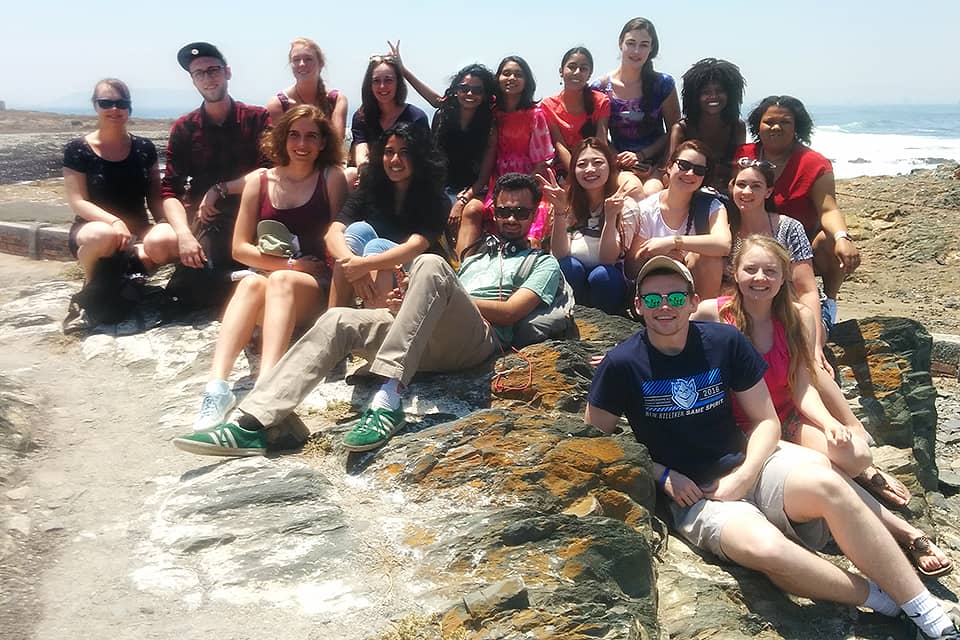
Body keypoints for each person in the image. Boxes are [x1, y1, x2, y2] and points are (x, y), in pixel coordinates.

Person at [585, 256, 960, 640]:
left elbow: (766, 420)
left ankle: (928, 613)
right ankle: (884, 600)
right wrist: (661, 474)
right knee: (767, 549)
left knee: (830, 485)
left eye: (675, 297)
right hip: (695, 497)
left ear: (693, 301)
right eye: (652, 299)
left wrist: (745, 475)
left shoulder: (724, 341)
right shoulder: (621, 364)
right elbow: (597, 443)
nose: (664, 306)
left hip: (751, 461)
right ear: (637, 306)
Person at [173, 173, 562, 456]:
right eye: (506, 211)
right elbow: (434, 294)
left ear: (534, 215)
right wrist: (412, 302)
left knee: (428, 262)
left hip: (478, 341)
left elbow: (511, 313)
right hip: (428, 342)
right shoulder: (477, 254)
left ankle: (388, 397)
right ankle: (256, 422)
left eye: (522, 213)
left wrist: (433, 297)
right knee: (337, 320)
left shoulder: (542, 262)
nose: (512, 219)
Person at [692, 235, 950, 577]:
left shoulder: (798, 317)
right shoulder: (713, 312)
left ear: (784, 276)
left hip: (786, 418)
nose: (760, 279)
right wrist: (626, 359)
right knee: (825, 471)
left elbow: (801, 386)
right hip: (745, 429)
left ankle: (866, 475)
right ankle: (906, 533)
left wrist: (829, 422)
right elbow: (671, 335)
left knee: (855, 455)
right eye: (750, 269)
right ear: (734, 272)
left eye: (770, 271)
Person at [193, 105, 348, 431]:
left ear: (323, 143)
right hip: (274, 280)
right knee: (250, 284)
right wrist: (289, 264)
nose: (301, 144)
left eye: (311, 136)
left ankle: (266, 386)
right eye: (294, 135)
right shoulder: (259, 182)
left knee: (278, 281)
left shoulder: (330, 179)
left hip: (311, 289)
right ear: (282, 138)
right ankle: (217, 387)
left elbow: (339, 237)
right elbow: (240, 248)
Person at [151, 42, 270, 286]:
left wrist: (219, 189)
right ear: (193, 80)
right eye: (199, 73)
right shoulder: (185, 127)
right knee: (157, 243)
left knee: (207, 270)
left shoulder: (257, 118)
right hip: (200, 214)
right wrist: (183, 234)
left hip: (247, 208)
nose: (208, 78)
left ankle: (223, 275)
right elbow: (170, 189)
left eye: (213, 70)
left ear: (227, 72)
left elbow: (269, 171)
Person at [737, 95, 861, 327]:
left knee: (831, 240)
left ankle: (829, 304)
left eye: (785, 122)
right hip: (749, 241)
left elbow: (828, 208)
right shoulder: (742, 156)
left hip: (797, 246)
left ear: (797, 126)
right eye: (769, 121)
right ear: (758, 125)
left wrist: (843, 237)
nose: (776, 127)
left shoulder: (813, 163)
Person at [325, 122, 448, 309]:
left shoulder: (435, 198)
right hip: (369, 267)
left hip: (418, 273)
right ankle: (333, 317)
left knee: (378, 247)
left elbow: (415, 247)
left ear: (419, 157)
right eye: (389, 152)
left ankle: (375, 323)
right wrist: (355, 267)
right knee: (357, 231)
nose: (395, 160)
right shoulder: (371, 188)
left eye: (404, 153)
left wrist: (363, 265)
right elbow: (333, 233)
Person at [63, 78, 177, 280]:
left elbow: (154, 198)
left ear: (129, 107)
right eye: (106, 103)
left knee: (165, 240)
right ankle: (92, 284)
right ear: (95, 105)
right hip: (93, 229)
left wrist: (166, 223)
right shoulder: (78, 149)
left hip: (138, 230)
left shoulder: (144, 148)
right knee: (103, 235)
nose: (115, 109)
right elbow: (78, 201)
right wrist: (115, 222)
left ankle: (124, 273)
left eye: (122, 103)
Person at [457, 56, 554, 254]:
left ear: (527, 81)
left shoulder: (535, 115)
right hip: (497, 188)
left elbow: (541, 164)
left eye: (518, 74)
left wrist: (520, 193)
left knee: (531, 232)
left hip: (531, 188)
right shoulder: (493, 114)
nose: (511, 78)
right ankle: (463, 271)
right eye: (506, 73)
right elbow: (442, 101)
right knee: (473, 212)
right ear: (498, 78)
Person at [726, 158, 825, 350]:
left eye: (756, 186)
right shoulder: (725, 229)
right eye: (741, 185)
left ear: (768, 191)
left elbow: (806, 290)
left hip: (792, 308)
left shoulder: (788, 228)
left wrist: (816, 347)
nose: (747, 192)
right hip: (747, 311)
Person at [541, 138, 637, 314]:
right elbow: (560, 254)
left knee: (602, 275)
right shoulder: (567, 202)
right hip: (573, 277)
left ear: (610, 166)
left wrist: (610, 218)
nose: (590, 169)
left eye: (598, 162)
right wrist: (560, 211)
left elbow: (608, 260)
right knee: (569, 267)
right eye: (582, 164)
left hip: (609, 282)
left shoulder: (626, 205)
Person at [625, 140, 731, 298]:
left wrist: (673, 242)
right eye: (684, 165)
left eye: (699, 170)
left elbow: (723, 244)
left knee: (709, 257)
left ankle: (701, 318)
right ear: (669, 166)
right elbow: (631, 269)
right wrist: (659, 257)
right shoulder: (646, 209)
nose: (690, 174)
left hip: (694, 286)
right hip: (656, 286)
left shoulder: (712, 206)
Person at [593, 17, 680, 194]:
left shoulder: (663, 84)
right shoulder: (601, 88)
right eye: (631, 43)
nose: (636, 51)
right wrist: (620, 159)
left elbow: (675, 130)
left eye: (644, 45)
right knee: (634, 191)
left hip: (656, 163)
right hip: (619, 164)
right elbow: (600, 135)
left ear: (651, 49)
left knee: (651, 193)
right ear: (620, 43)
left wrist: (644, 157)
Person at [346, 55, 429, 187]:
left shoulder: (416, 118)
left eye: (388, 80)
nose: (382, 86)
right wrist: (364, 171)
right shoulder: (362, 116)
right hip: (373, 175)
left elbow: (423, 161)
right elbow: (361, 148)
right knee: (350, 175)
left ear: (398, 83)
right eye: (376, 81)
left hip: (406, 179)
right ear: (369, 85)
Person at [668, 58, 746, 193]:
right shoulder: (682, 129)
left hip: (726, 192)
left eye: (720, 91)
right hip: (688, 191)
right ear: (694, 97)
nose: (713, 96)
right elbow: (671, 171)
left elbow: (738, 170)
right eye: (706, 92)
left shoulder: (737, 127)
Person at [265, 37, 348, 144]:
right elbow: (277, 147)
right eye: (296, 60)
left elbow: (337, 143)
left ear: (321, 64)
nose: (302, 64)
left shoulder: (336, 100)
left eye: (308, 59)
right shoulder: (278, 104)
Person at [541, 47, 610, 176]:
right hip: (565, 167)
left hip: (595, 164)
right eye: (572, 67)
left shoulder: (601, 101)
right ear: (561, 71)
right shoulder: (548, 105)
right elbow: (559, 145)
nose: (577, 72)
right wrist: (577, 173)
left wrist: (594, 170)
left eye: (583, 69)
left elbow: (602, 141)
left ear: (589, 74)